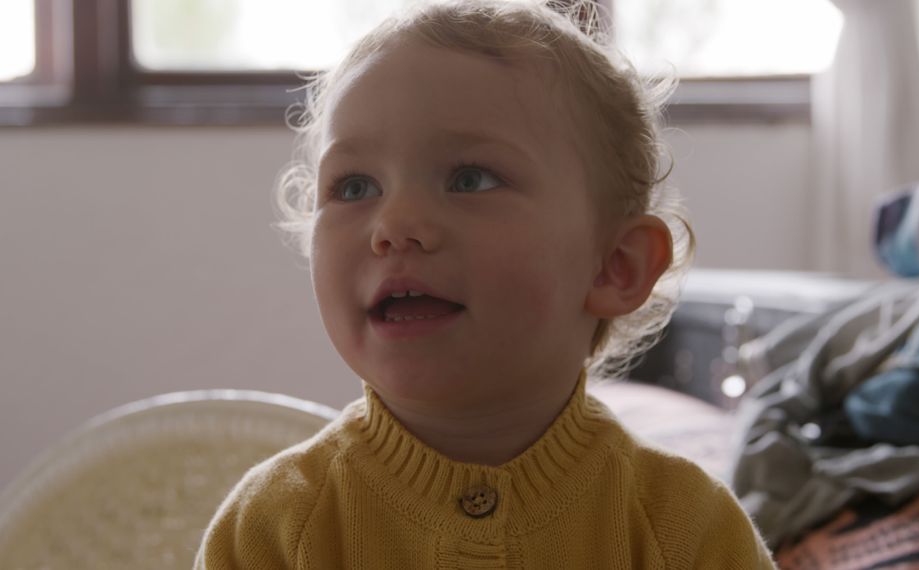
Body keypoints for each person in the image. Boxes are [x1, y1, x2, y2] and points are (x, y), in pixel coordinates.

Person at [196, 1, 774, 567]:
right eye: (353, 188)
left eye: (469, 179)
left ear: (614, 266)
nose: (393, 226)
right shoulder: (271, 529)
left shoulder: (688, 530)